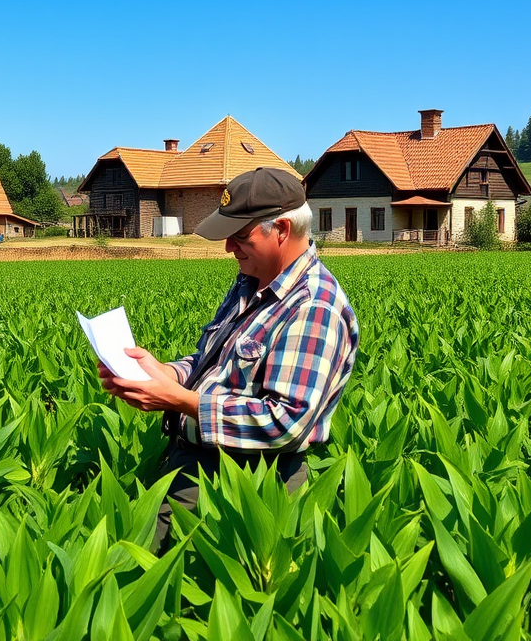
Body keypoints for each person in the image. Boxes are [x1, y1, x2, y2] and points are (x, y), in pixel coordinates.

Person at [97, 167, 359, 550]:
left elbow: (285, 422)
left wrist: (180, 401)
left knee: (139, 563)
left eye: (240, 236)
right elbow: (217, 362)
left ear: (281, 230)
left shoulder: (313, 308)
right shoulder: (252, 281)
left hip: (254, 484)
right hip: (198, 463)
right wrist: (166, 372)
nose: (228, 248)